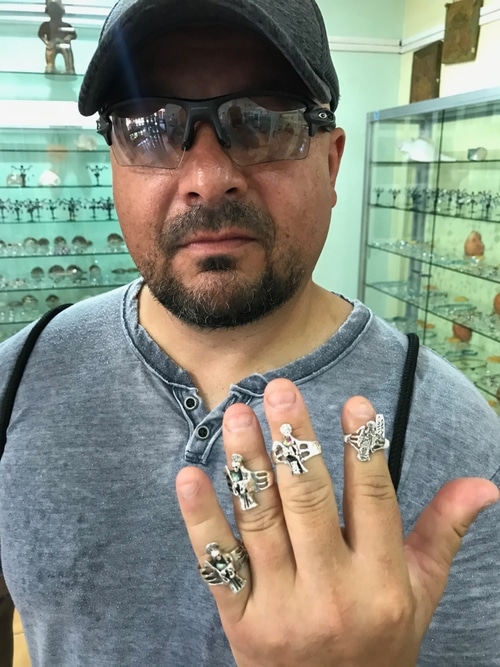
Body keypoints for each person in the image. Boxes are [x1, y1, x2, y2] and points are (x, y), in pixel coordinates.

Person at [0, 0, 499, 665]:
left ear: (331, 163)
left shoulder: (451, 435)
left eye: (262, 121)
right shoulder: (19, 377)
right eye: (150, 128)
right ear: (114, 162)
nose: (208, 182)